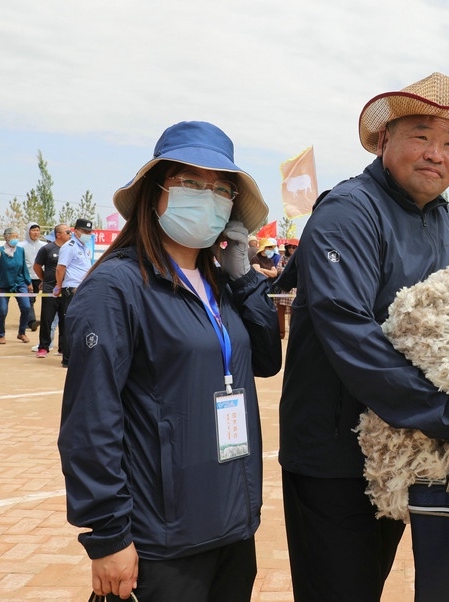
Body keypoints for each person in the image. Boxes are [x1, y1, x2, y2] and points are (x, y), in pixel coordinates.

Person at [278, 72, 449, 601]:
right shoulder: (350, 211)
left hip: (401, 448)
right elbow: (347, 328)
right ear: (384, 140)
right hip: (337, 454)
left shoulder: (442, 220)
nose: (436, 154)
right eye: (421, 135)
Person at [58, 121, 282, 601]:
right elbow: (91, 420)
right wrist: (108, 535)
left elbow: (266, 359)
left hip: (232, 521)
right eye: (191, 183)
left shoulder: (221, 284)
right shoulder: (117, 287)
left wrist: (244, 277)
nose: (208, 198)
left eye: (221, 189)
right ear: (155, 193)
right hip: (162, 538)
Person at [54, 218, 94, 367]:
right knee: (71, 324)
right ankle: (68, 359)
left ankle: (78, 356)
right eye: (84, 231)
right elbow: (60, 268)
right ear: (76, 231)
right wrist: (59, 286)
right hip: (71, 289)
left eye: (89, 232)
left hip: (84, 289)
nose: (87, 234)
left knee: (82, 324)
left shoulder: (85, 247)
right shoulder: (69, 246)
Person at [33, 224, 70, 358]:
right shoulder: (47, 249)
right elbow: (37, 266)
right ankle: (43, 347)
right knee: (47, 319)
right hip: (50, 289)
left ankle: (63, 348)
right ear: (58, 234)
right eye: (67, 232)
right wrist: (45, 279)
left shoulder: (71, 248)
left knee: (65, 320)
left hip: (66, 289)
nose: (70, 234)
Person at [0, 227, 34, 345]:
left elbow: (24, 267)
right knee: (2, 310)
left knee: (26, 307)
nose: (15, 239)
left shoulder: (20, 250)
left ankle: (22, 332)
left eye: (17, 236)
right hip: (3, 284)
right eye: (13, 236)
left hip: (19, 283)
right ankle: (1, 335)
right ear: (6, 237)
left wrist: (28, 282)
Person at [19, 222, 46, 331]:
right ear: (28, 232)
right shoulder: (21, 246)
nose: (36, 232)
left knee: (32, 300)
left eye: (37, 230)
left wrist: (44, 278)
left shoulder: (44, 246)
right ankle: (32, 322)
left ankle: (26, 320)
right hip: (26, 277)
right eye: (33, 230)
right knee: (28, 300)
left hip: (39, 277)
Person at [274, 239, 297, 338]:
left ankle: (292, 333)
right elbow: (278, 269)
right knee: (280, 311)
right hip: (283, 287)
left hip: (294, 288)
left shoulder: (300, 258)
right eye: (289, 247)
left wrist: (286, 271)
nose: (291, 249)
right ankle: (281, 333)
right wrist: (289, 271)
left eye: (294, 247)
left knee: (293, 312)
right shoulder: (283, 257)